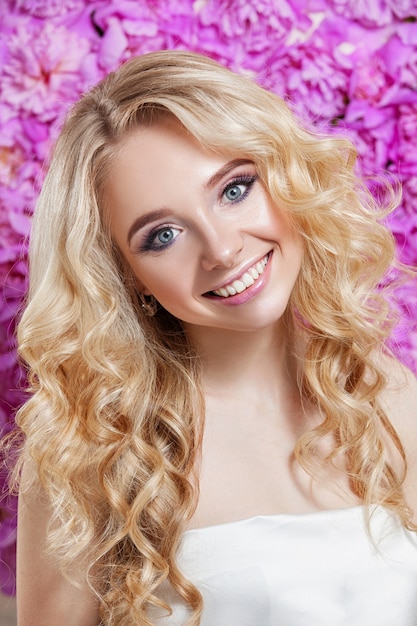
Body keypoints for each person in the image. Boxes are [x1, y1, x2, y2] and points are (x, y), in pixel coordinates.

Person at [12, 50, 417, 625]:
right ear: (127, 273)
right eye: (163, 234)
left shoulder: (386, 397)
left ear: (284, 178)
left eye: (234, 190)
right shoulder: (90, 455)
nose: (223, 249)